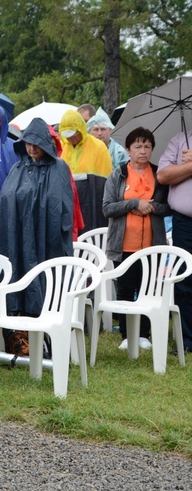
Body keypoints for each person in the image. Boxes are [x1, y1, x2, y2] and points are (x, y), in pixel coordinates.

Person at [0, 118, 74, 355]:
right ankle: (20, 336)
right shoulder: (18, 168)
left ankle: (45, 338)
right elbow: (7, 200)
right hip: (18, 236)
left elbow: (60, 203)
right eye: (28, 143)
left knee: (43, 282)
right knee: (19, 274)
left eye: (36, 144)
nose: (31, 148)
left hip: (46, 237)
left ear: (46, 144)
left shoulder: (58, 167)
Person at [103, 128, 169, 350]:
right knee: (125, 289)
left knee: (147, 289)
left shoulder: (160, 175)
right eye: (138, 146)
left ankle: (144, 334)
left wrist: (150, 207)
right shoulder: (118, 174)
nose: (143, 151)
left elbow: (169, 206)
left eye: (147, 146)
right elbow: (107, 208)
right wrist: (133, 203)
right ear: (128, 149)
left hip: (152, 244)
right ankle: (126, 334)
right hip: (124, 244)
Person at [155, 129, 192, 355]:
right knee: (185, 279)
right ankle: (186, 338)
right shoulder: (180, 140)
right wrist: (189, 167)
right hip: (184, 223)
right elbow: (164, 176)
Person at [59, 110, 113, 233]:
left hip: (92, 202)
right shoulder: (63, 147)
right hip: (69, 203)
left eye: (73, 133)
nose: (70, 138)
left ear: (81, 129)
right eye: (67, 135)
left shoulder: (98, 147)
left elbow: (105, 180)